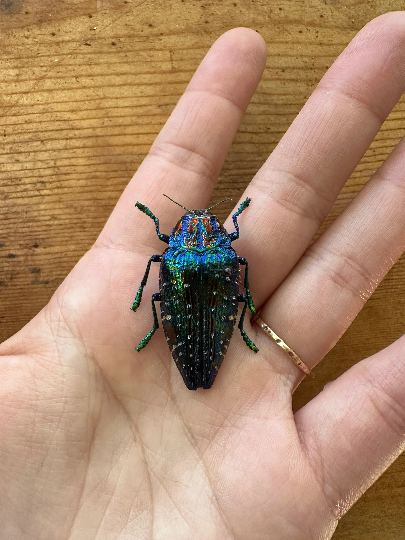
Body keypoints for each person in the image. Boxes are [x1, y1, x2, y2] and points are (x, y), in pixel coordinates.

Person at [1, 13, 405, 539]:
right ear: (211, 231)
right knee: (201, 304)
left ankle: (178, 329)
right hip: (213, 306)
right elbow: (223, 259)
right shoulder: (222, 254)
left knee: (170, 302)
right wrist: (233, 313)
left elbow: (162, 269)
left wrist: (157, 306)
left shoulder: (173, 256)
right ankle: (209, 331)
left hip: (191, 303)